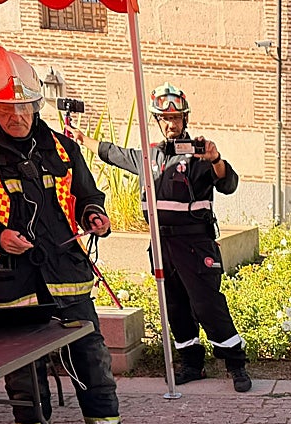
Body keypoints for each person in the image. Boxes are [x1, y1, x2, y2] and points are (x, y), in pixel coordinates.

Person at [0, 47, 142, 424]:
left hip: (65, 274)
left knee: (91, 357)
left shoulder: (63, 148)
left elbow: (87, 194)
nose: (19, 117)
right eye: (8, 109)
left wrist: (94, 215)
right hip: (7, 281)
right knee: (23, 370)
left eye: (26, 107)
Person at [74, 83, 251, 391]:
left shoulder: (200, 153)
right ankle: (192, 364)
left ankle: (236, 365)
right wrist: (82, 139)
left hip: (195, 245)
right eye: (166, 119)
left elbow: (229, 183)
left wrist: (216, 159)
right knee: (176, 307)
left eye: (178, 118)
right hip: (161, 245)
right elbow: (112, 153)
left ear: (185, 119)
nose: (172, 124)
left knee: (207, 306)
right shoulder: (149, 156)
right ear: (157, 120)